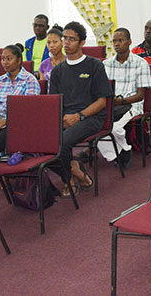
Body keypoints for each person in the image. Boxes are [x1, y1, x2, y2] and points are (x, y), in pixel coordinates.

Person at [49, 21, 113, 195]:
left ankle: (69, 178)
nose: (67, 42)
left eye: (72, 39)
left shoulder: (94, 65)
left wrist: (78, 116)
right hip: (65, 118)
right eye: (65, 38)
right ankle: (73, 168)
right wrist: (62, 118)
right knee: (40, 142)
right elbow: (54, 102)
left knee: (61, 143)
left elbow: (101, 101)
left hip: (91, 117)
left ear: (82, 43)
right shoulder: (57, 71)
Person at [100, 28, 151, 168]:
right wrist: (112, 100)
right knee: (95, 128)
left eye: (120, 40)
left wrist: (121, 101)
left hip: (132, 104)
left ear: (129, 42)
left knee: (114, 129)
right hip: (111, 105)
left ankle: (123, 149)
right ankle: (119, 152)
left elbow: (141, 96)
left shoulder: (141, 64)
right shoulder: (106, 64)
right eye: (114, 41)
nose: (117, 44)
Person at [0, 44, 41, 154]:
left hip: (18, 123)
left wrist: (5, 121)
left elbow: (29, 111)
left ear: (19, 61)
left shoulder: (30, 80)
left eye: (9, 59)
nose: (5, 62)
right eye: (3, 59)